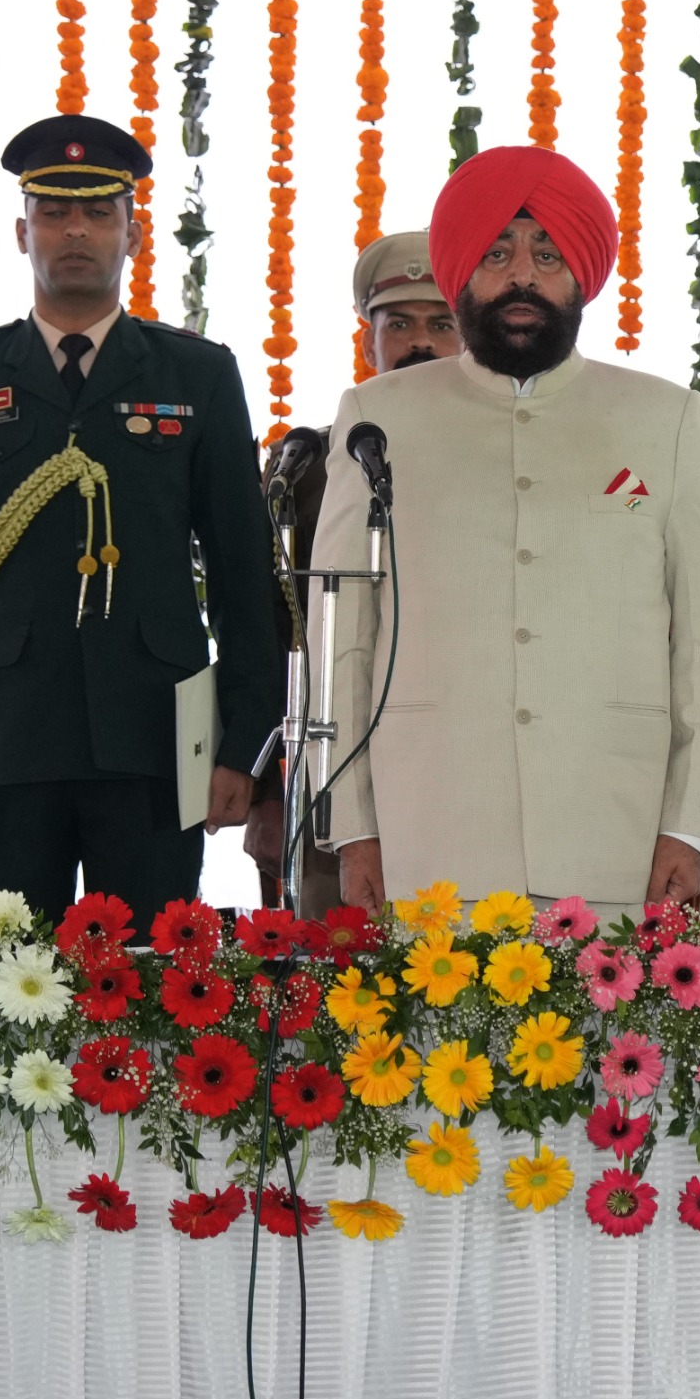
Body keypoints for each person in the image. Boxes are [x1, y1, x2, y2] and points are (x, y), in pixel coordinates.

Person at [313, 146, 700, 914]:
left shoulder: (665, 418)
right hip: (427, 827)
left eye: (547, 254)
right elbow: (342, 638)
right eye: (497, 253)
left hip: (614, 828)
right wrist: (353, 827)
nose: (522, 276)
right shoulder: (377, 417)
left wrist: (690, 824)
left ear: (581, 274)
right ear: (461, 272)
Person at [0, 114, 280, 925]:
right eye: (54, 213)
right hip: (2, 739)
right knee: (6, 980)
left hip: (154, 739)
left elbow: (244, 575)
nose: (76, 231)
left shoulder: (198, 375)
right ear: (21, 232)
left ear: (132, 235)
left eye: (100, 213)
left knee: (150, 982)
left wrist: (244, 745)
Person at [245, 231, 453, 909]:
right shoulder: (311, 466)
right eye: (399, 325)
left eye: (442, 325)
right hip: (337, 773)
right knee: (336, 964)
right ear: (368, 344)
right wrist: (267, 794)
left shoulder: (512, 465)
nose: (419, 343)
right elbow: (274, 635)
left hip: (464, 762)